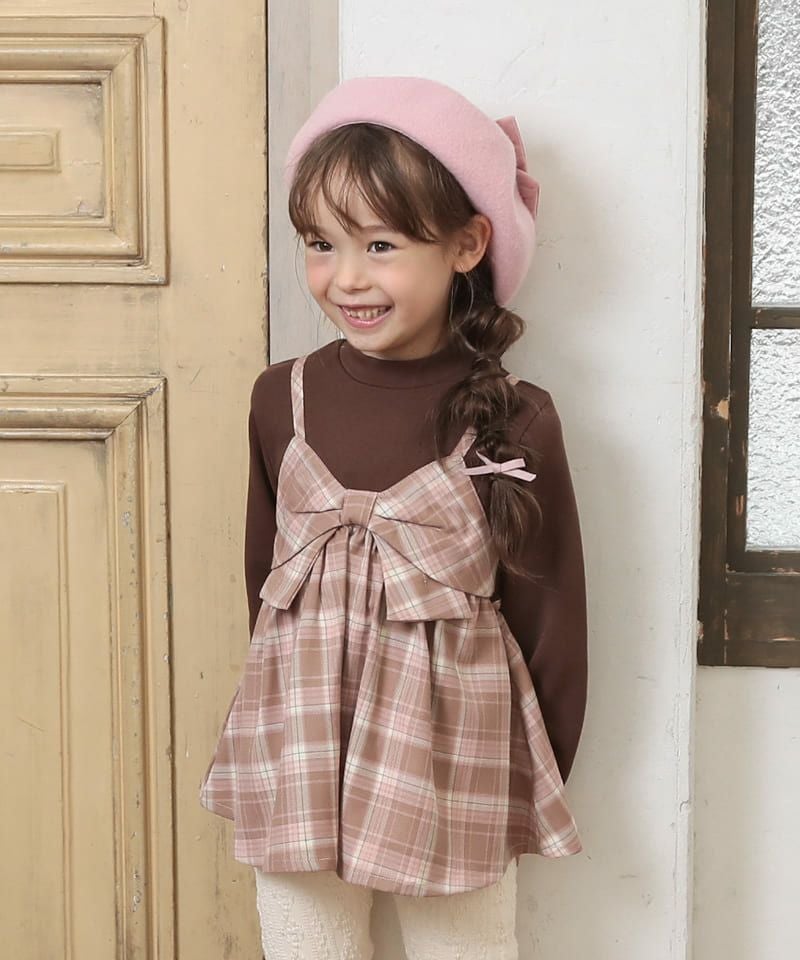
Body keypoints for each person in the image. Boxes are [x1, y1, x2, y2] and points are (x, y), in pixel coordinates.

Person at [198, 75, 588, 959]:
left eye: (380, 244)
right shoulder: (280, 399)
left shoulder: (518, 418)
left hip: (454, 758)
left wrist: (533, 775)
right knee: (305, 945)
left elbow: (552, 614)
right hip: (300, 743)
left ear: (466, 244)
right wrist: (275, 723)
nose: (347, 278)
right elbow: (264, 584)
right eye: (321, 243)